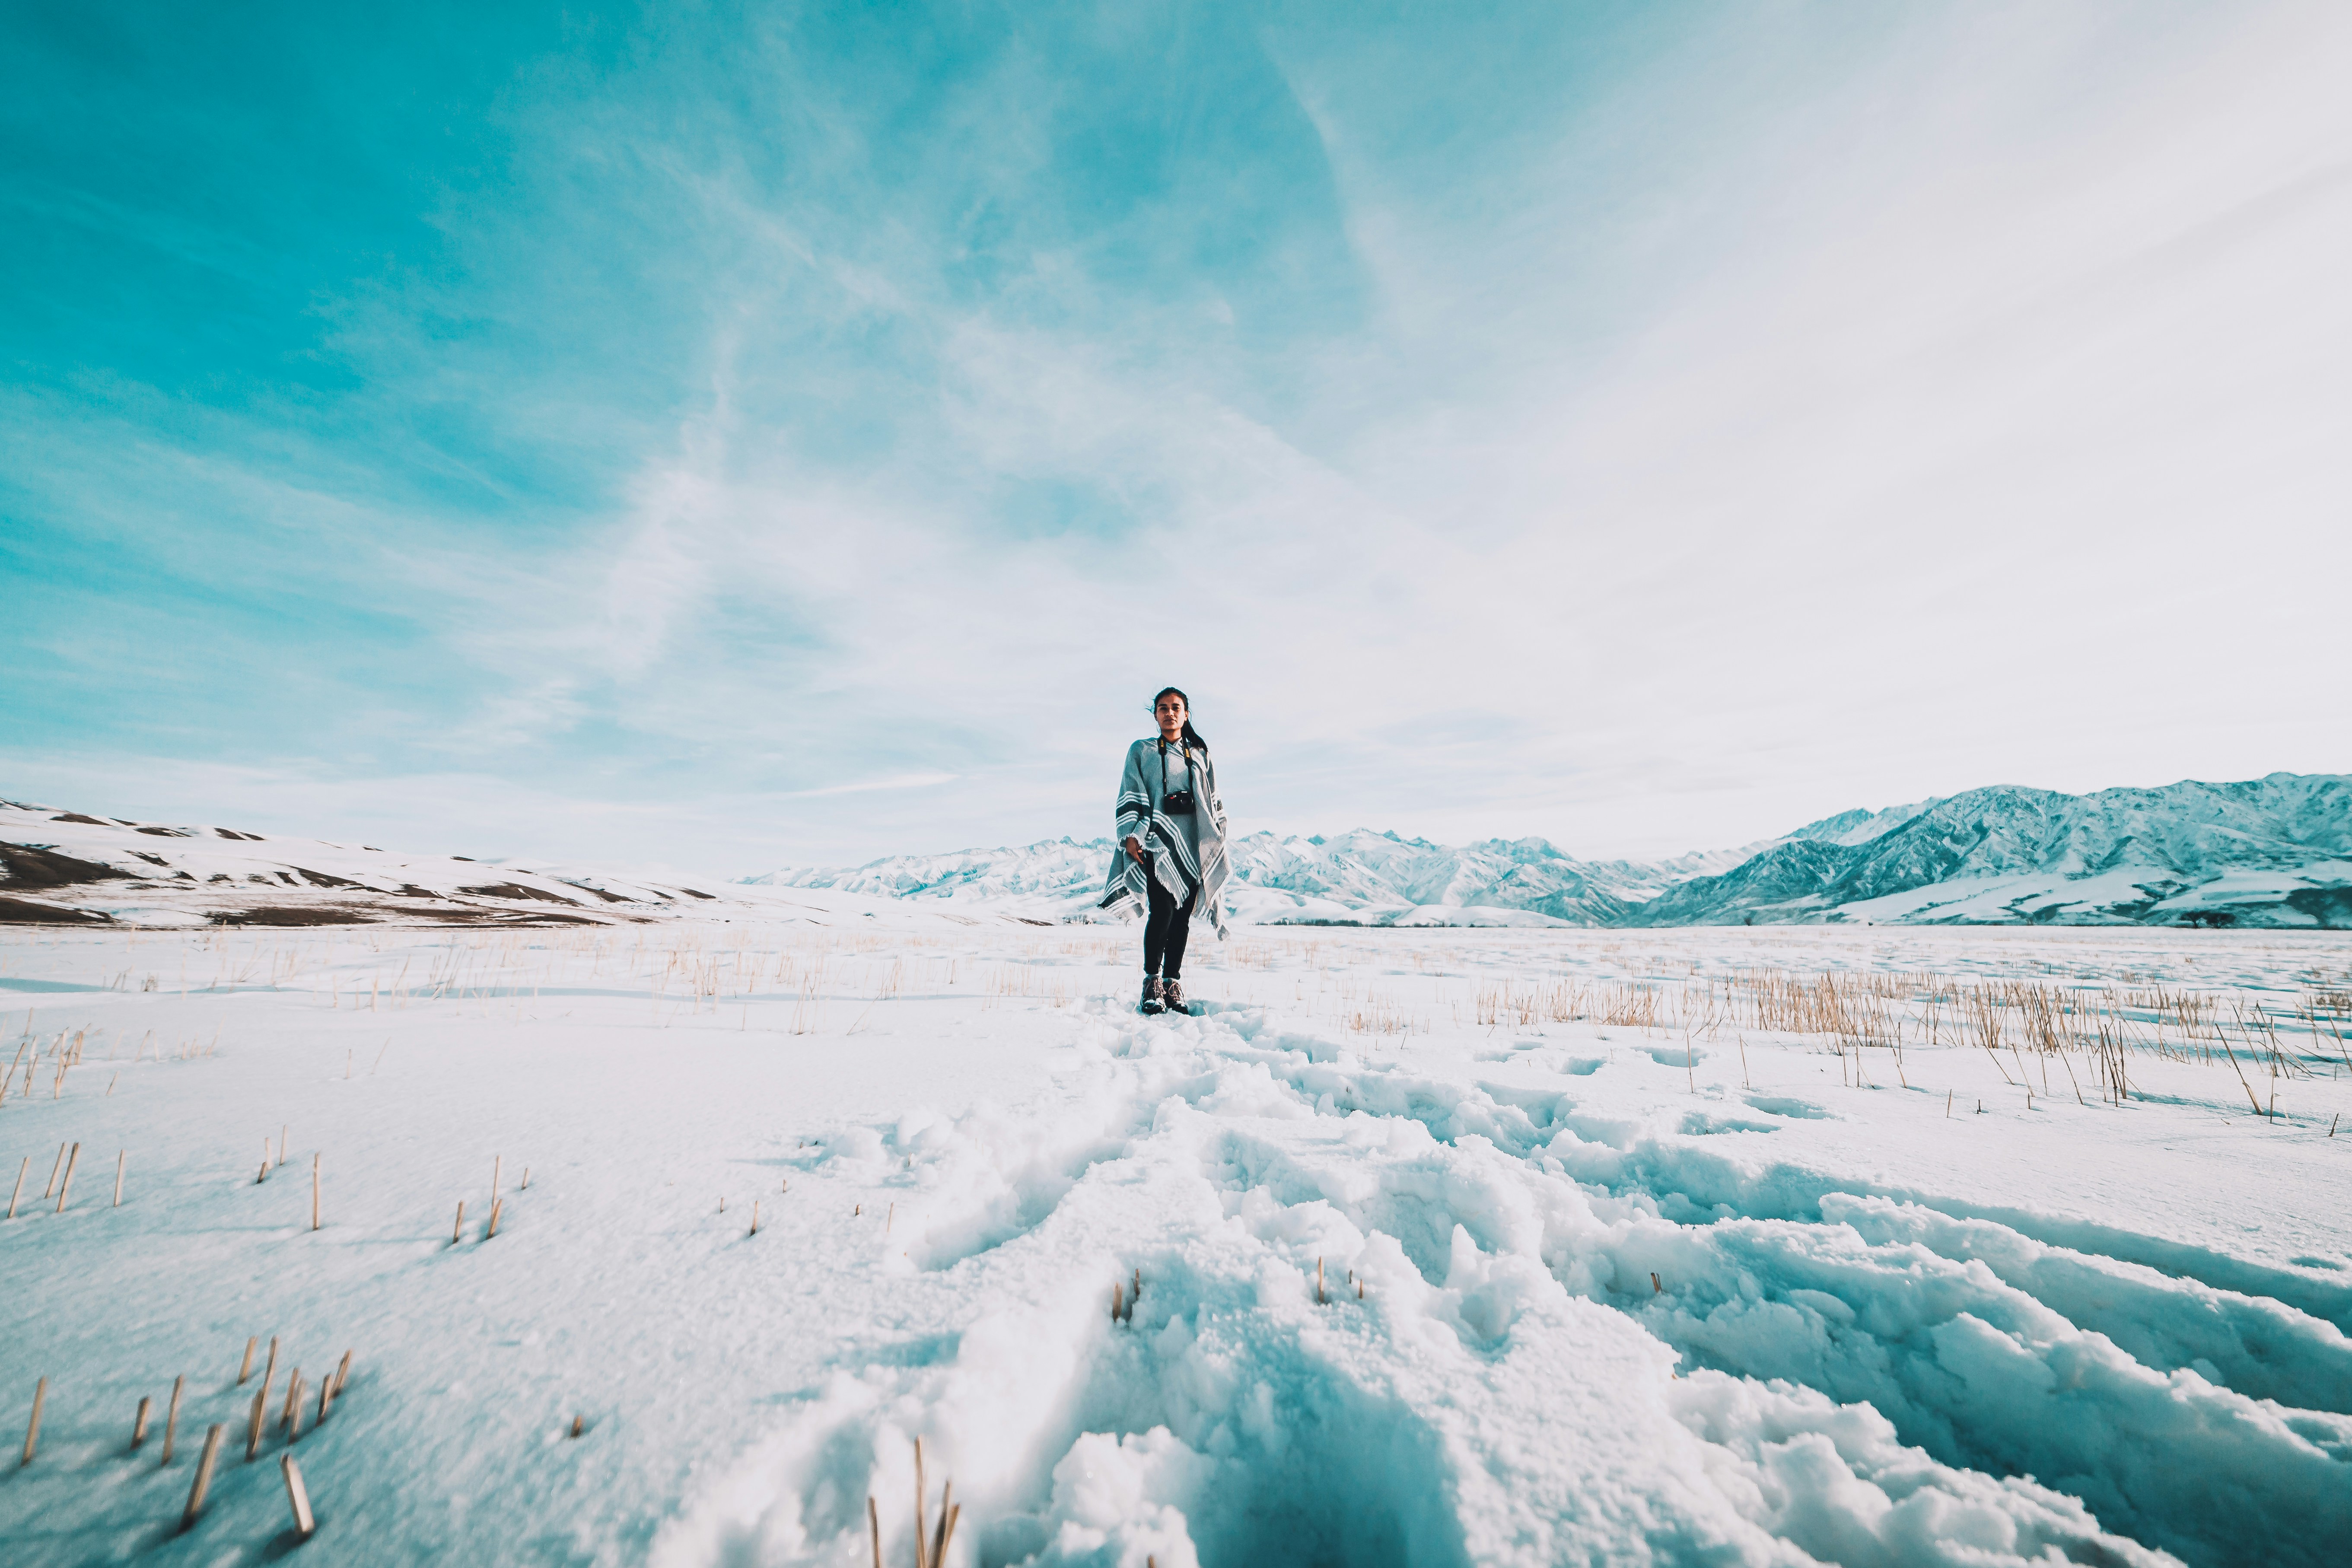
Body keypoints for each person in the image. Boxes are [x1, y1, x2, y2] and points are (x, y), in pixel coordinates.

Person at [1099, 687, 1229, 1014]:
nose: (1169, 713)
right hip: (1156, 842)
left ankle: (1173, 982)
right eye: (1163, 708)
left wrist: (1217, 838)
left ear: (1186, 714)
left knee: (1182, 919)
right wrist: (1131, 834)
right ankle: (1151, 981)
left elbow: (1214, 801)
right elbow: (1132, 788)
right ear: (1155, 715)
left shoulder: (1200, 754)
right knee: (1162, 912)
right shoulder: (1141, 751)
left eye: (1176, 707)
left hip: (1194, 844)